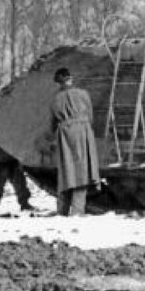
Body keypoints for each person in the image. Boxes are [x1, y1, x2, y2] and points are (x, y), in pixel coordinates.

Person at [48, 67, 100, 216]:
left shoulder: (55, 99)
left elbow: (52, 123)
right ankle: (78, 210)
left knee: (66, 170)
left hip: (63, 133)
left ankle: (62, 210)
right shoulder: (82, 94)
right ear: (71, 78)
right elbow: (90, 116)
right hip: (82, 130)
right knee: (82, 170)